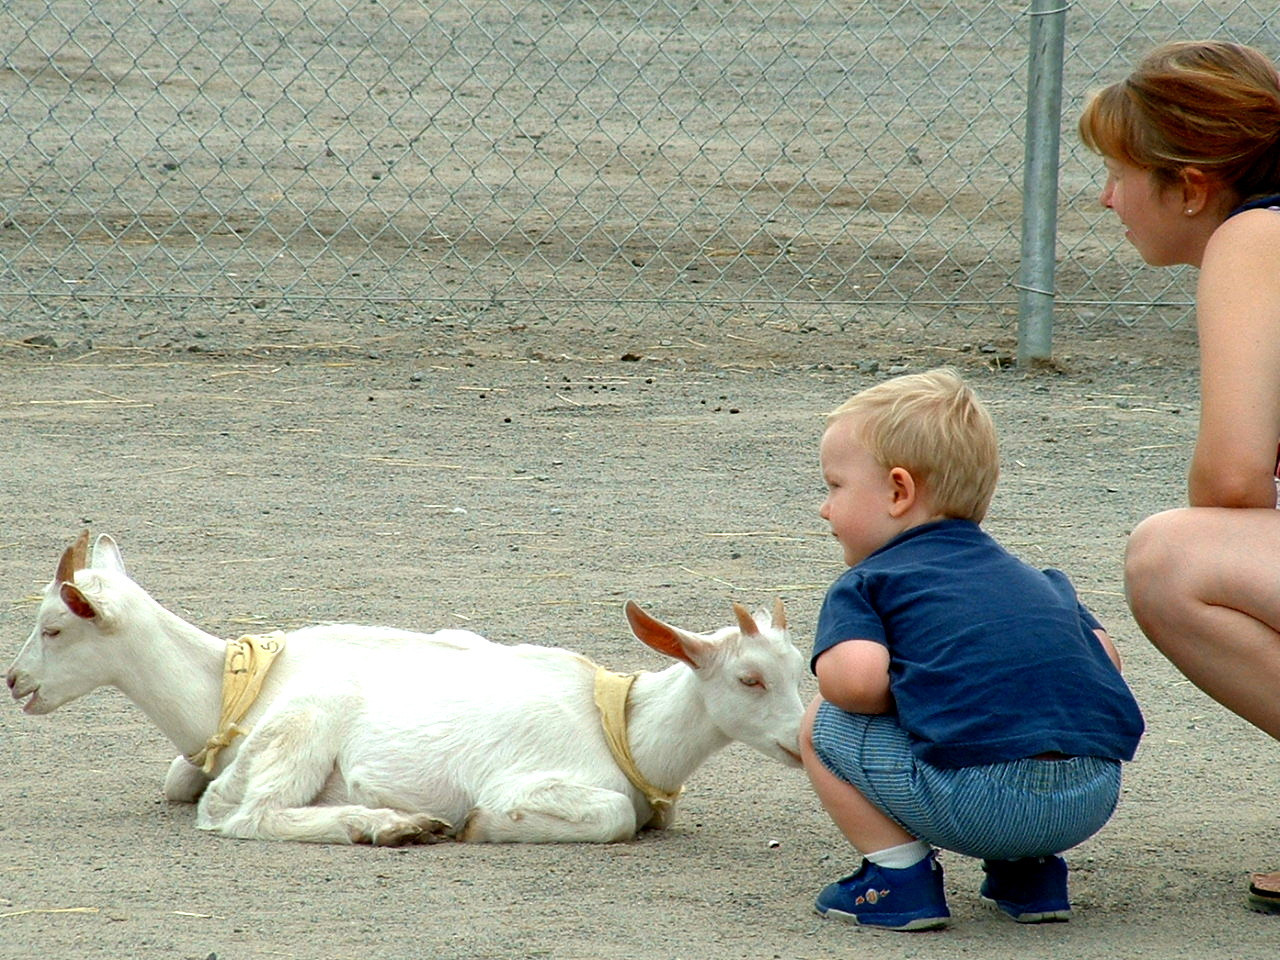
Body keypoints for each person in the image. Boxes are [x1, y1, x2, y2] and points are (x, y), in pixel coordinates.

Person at [800, 368, 1145, 931]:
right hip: (1089, 798)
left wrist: (926, 692)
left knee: (820, 722)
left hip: (980, 803)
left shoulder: (870, 582)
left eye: (834, 486)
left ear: (898, 491)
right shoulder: (1035, 578)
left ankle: (897, 878)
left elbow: (856, 686)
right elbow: (1105, 660)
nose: (824, 508)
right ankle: (1030, 877)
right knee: (1023, 708)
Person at [1078, 39, 1280, 915]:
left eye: (1121, 173)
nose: (1107, 197)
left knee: (1170, 557)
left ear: (1191, 185)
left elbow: (1234, 480)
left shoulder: (1254, 236)